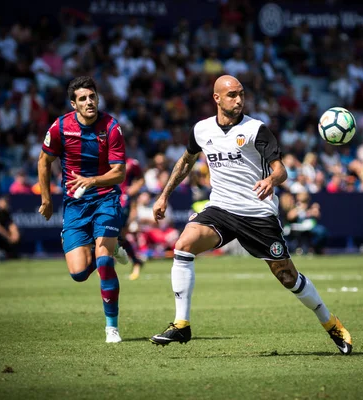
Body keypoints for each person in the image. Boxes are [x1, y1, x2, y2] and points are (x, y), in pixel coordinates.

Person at [149, 75, 352, 355]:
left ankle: (330, 323)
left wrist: (271, 181)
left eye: (241, 94)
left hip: (257, 213)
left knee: (287, 277)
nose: (239, 99)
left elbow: (279, 169)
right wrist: (164, 195)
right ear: (217, 98)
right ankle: (181, 324)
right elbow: (186, 161)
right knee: (183, 244)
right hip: (220, 208)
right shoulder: (201, 129)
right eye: (232, 95)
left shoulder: (257, 129)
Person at [37, 76, 129, 343]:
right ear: (73, 104)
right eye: (83, 98)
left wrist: (92, 181)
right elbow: (44, 161)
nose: (90, 102)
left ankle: (111, 328)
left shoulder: (111, 126)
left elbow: (120, 173)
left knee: (103, 262)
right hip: (75, 204)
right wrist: (46, 198)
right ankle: (110, 246)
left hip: (105, 198)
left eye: (93, 96)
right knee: (78, 274)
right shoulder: (60, 127)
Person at [0, 195, 20, 260]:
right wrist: (9, 236)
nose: (6, 204)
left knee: (17, 235)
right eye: (4, 202)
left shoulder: (6, 212)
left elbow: (11, 224)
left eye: (6, 202)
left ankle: (13, 255)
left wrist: (15, 234)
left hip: (3, 232)